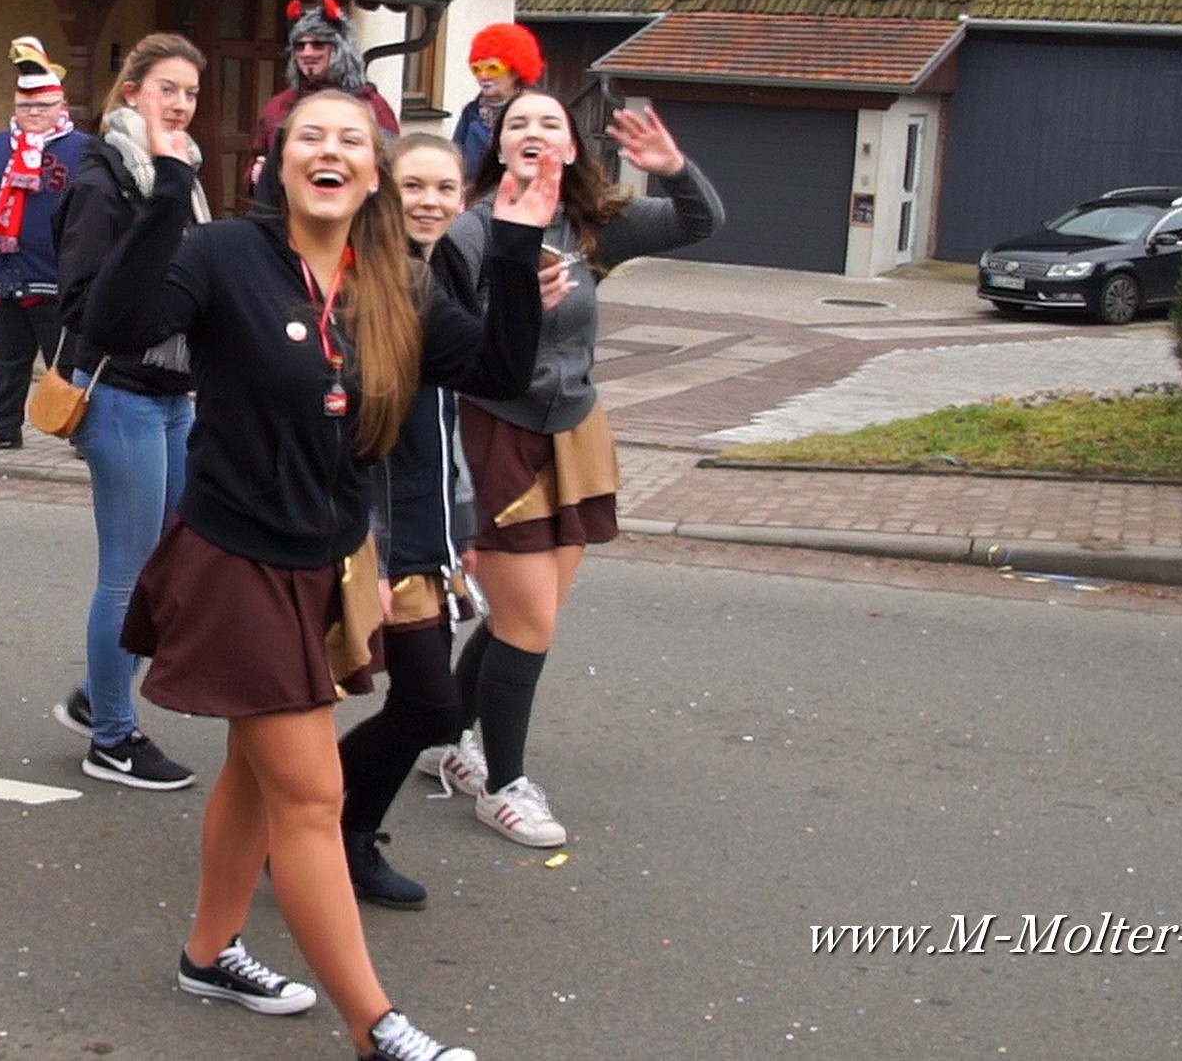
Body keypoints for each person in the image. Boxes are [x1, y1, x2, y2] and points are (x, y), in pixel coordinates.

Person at [87, 86, 560, 1061]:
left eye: (353, 138)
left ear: (372, 172)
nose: (331, 149)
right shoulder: (227, 258)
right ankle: (374, 1024)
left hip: (327, 561)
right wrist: (169, 185)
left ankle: (209, 950)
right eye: (311, 136)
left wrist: (512, 242)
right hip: (232, 560)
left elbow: (503, 368)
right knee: (308, 796)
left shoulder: (393, 282)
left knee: (255, 778)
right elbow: (117, 317)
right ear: (277, 162)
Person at [422, 92, 723, 850]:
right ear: (497, 143)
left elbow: (700, 222)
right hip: (499, 432)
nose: (532, 133)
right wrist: (511, 306)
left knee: (528, 615)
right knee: (528, 623)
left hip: (576, 430)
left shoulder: (591, 228)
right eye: (518, 123)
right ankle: (502, 785)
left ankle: (449, 739)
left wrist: (674, 169)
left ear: (569, 146)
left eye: (548, 123)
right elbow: (443, 340)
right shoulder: (470, 229)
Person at [334, 131, 573, 909]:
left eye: (445, 188)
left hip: (424, 540)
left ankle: (337, 831)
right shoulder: (360, 285)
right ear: (380, 191)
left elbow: (483, 389)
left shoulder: (434, 280)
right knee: (295, 709)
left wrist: (458, 529)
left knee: (429, 707)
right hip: (363, 539)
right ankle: (314, 830)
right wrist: (360, 542)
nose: (430, 201)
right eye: (414, 186)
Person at [45, 34, 206, 790]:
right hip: (119, 393)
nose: (179, 105)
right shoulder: (107, 176)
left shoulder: (182, 175)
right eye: (166, 89)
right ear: (132, 92)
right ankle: (111, 736)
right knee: (129, 572)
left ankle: (95, 694)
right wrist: (166, 194)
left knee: (169, 562)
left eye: (190, 94)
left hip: (175, 394)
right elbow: (84, 303)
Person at [0, 37, 84, 452]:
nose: (33, 114)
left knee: (67, 364)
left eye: (42, 106)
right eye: (25, 106)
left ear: (61, 107)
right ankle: (1, 428)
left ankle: (82, 432)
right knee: (6, 363)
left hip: (56, 279)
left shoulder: (84, 150)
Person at [249, 0, 399, 178]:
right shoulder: (279, 105)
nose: (307, 53)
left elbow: (391, 168)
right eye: (300, 46)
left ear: (340, 49)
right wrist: (255, 175)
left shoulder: (369, 104)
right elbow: (257, 156)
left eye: (318, 44)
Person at [453, 23, 544, 183]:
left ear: (515, 71)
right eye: (477, 69)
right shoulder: (471, 114)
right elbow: (454, 163)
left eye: (493, 68)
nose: (483, 76)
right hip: (477, 201)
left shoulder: (540, 111)